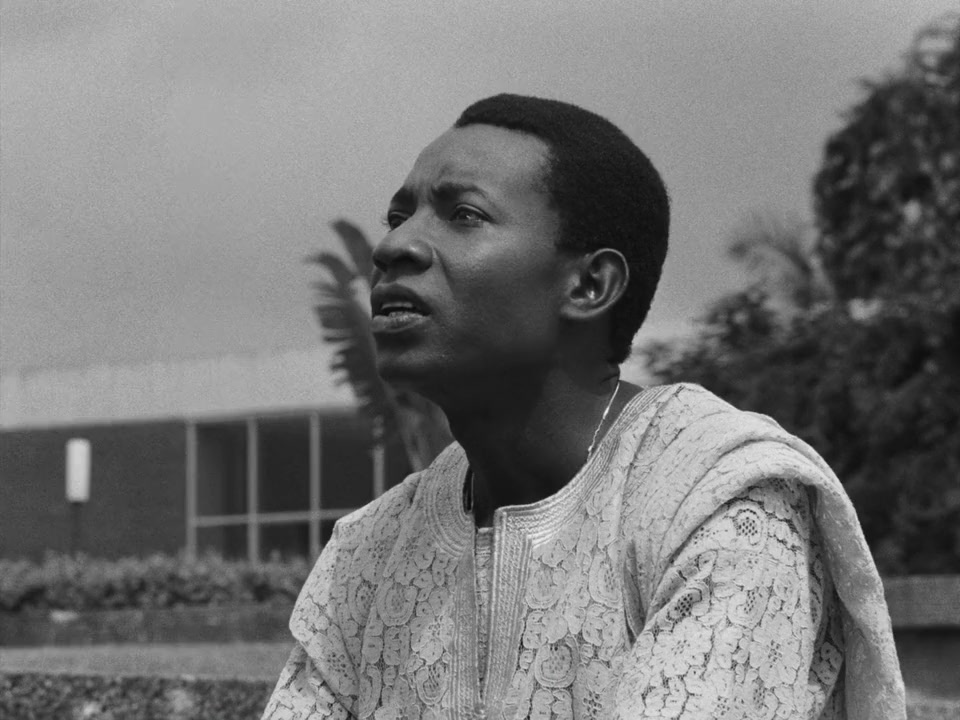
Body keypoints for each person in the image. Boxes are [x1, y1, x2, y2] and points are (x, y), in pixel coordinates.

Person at [263, 94, 904, 720]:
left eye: (463, 214)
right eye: (397, 217)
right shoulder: (369, 553)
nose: (394, 246)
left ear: (590, 285)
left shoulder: (721, 502)